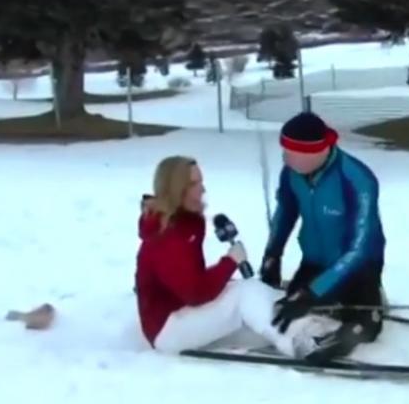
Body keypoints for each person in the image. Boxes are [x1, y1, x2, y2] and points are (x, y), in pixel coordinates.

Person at [134, 155, 336, 357]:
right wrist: (229, 262)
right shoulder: (165, 236)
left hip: (183, 313)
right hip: (167, 328)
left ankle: (315, 325)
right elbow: (194, 292)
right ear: (176, 190)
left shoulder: (186, 222)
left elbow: (189, 280)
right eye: (194, 184)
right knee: (243, 294)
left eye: (201, 182)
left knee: (254, 297)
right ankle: (300, 342)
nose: (202, 189)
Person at [258, 112, 387, 362]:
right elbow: (285, 211)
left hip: (356, 264)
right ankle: (329, 303)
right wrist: (272, 254)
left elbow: (358, 249)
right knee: (293, 308)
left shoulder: (357, 179)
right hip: (315, 259)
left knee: (362, 323)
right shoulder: (291, 173)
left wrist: (313, 293)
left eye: (290, 151)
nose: (284, 156)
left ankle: (369, 310)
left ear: (314, 152)